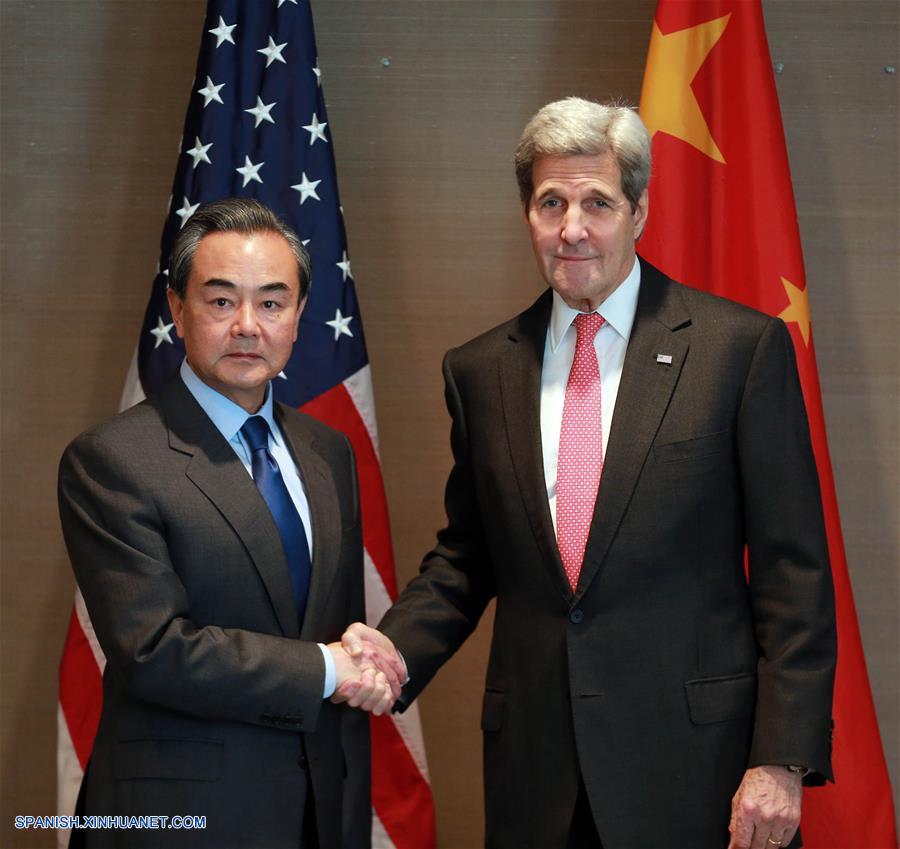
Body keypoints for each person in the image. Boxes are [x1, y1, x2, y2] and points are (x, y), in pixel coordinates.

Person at [340, 98, 837, 849]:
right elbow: (468, 555)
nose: (573, 228)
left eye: (597, 202)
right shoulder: (479, 369)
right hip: (538, 774)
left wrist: (781, 758)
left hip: (699, 772)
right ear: (528, 214)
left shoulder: (739, 351)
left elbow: (792, 573)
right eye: (552, 203)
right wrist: (394, 646)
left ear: (639, 210)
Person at [58, 198, 402, 849]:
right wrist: (328, 668)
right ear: (176, 307)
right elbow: (154, 650)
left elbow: (330, 627)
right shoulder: (111, 459)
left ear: (300, 315)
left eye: (272, 303)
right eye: (221, 302)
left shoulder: (329, 453)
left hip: (318, 815)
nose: (248, 325)